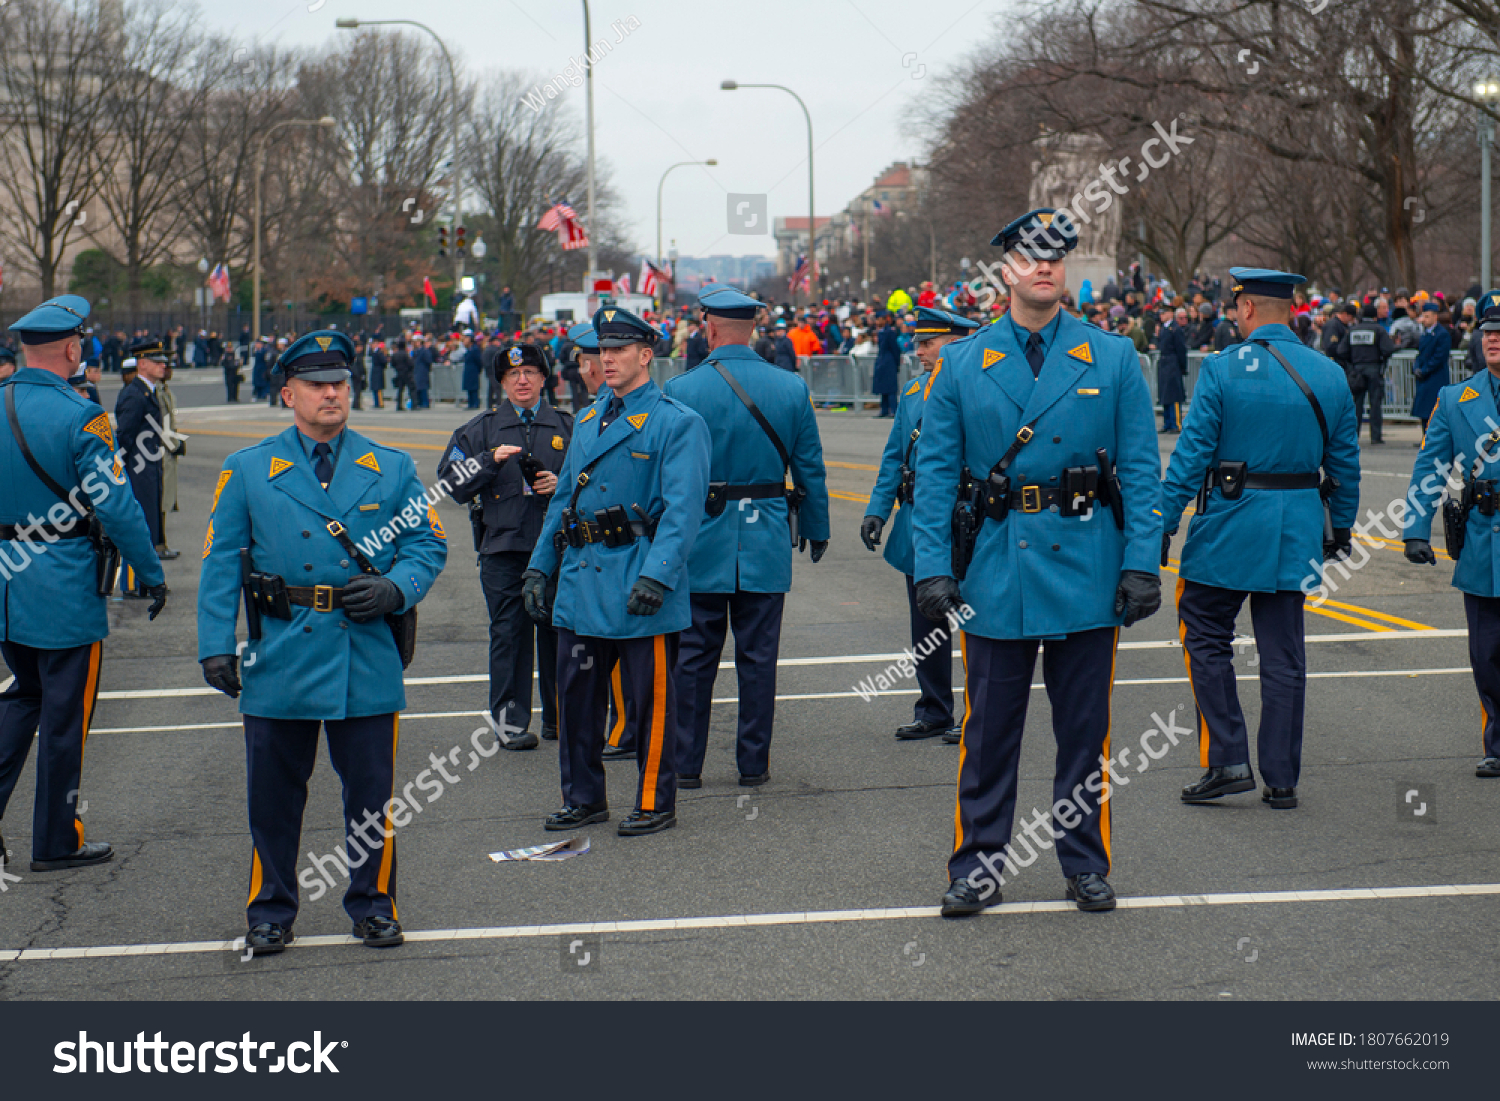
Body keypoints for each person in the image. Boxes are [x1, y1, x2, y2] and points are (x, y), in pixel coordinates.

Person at [912, 208, 1162, 917]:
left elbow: (1143, 470)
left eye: (1056, 255)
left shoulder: (1110, 357)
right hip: (997, 567)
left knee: (1085, 735)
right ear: (1007, 270)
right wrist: (934, 565)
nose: (1044, 266)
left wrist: (1143, 560)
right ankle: (977, 867)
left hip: (1088, 561)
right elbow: (934, 478)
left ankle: (1085, 862)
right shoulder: (962, 362)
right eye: (1030, 255)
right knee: (990, 735)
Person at [196, 330, 447, 956]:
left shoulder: (389, 467)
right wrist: (214, 644)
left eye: (339, 382)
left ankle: (373, 904)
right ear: (288, 393)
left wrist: (396, 587)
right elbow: (221, 560)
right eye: (315, 384)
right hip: (281, 650)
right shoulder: (249, 467)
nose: (331, 392)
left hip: (364, 651)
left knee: (372, 800)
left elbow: (428, 543)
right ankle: (271, 910)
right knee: (273, 800)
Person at [1165, 269, 1361, 812]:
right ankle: (1281, 777)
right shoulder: (1328, 373)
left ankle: (1228, 757)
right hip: (1296, 524)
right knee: (1283, 654)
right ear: (1291, 309)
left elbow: (1191, 456)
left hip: (1231, 522)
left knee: (1204, 631)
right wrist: (1340, 527)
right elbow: (1344, 465)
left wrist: (1159, 522)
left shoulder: (1224, 369)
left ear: (1246, 308)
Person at [522, 305, 710, 837]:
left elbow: (683, 508)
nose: (606, 359)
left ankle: (654, 799)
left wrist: (660, 575)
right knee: (577, 700)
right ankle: (584, 797)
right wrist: (540, 568)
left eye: (618, 350)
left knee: (651, 704)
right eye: (601, 351)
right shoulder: (586, 419)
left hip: (636, 577)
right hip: (582, 578)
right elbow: (562, 501)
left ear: (645, 356)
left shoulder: (677, 422)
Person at [0, 295, 166, 875]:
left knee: (23, 696)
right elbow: (117, 507)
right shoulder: (82, 415)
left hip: (6, 588)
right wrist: (150, 572)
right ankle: (55, 839)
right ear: (72, 349)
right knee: (65, 719)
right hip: (63, 587)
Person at [664, 285, 830, 788]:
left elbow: (670, 479)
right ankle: (753, 764)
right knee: (758, 659)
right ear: (754, 327)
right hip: (766, 537)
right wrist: (817, 527)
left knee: (694, 658)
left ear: (709, 327)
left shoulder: (681, 389)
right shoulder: (790, 388)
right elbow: (810, 469)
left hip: (702, 539)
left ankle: (687, 765)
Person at [439, 344, 570, 750]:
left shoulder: (568, 426)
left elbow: (596, 481)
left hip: (557, 548)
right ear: (501, 382)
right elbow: (450, 484)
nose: (523, 380)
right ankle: (510, 724)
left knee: (560, 632)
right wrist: (488, 461)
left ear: (545, 379)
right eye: (514, 375)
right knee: (509, 635)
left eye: (531, 372)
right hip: (504, 548)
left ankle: (562, 717)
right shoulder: (480, 430)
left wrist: (559, 482)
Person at [862, 306, 979, 742]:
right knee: (926, 621)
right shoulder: (913, 392)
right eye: (918, 341)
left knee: (970, 622)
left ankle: (977, 714)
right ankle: (934, 708)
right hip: (917, 519)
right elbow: (895, 456)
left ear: (955, 342)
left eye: (928, 341)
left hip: (965, 517)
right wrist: (878, 509)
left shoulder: (978, 389)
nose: (919, 350)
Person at [1406, 304, 1500, 777]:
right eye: (1487, 331)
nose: (1493, 339)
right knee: (1486, 655)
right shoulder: (1454, 398)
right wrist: (1415, 529)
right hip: (1484, 541)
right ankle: (1498, 743)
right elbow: (1431, 468)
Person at [115, 338, 176, 591]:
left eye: (163, 361)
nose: (163, 365)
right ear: (142, 364)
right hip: (138, 472)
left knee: (150, 526)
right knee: (138, 528)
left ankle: (146, 581)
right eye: (157, 361)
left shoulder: (148, 391)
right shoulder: (135, 394)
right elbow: (125, 438)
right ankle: (134, 584)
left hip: (149, 470)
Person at [1337, 303, 1395, 445]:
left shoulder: (1353, 330)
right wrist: (1381, 359)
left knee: (1357, 404)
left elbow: (1341, 351)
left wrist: (1352, 364)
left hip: (1357, 371)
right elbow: (1389, 349)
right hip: (1374, 369)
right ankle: (1375, 436)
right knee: (1375, 404)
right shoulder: (1378, 329)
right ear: (1375, 316)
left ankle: (1354, 436)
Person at [1411, 302, 1451, 432]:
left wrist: (1424, 370)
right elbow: (1420, 354)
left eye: (1427, 316)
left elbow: (1439, 357)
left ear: (1435, 317)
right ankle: (1425, 437)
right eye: (1424, 316)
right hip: (1425, 378)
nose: (1424, 320)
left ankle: (1432, 439)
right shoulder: (1425, 334)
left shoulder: (1441, 334)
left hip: (1435, 378)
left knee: (1434, 412)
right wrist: (1416, 367)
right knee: (1424, 413)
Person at [158, 361, 183, 558]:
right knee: (161, 500)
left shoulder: (164, 389)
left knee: (165, 501)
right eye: (165, 366)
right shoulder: (157, 393)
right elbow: (160, 425)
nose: (169, 370)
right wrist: (175, 445)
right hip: (160, 452)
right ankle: (159, 544)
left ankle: (162, 543)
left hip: (167, 449)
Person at [1156, 307, 1188, 433]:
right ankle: (1167, 422)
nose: (1161, 315)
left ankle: (1176, 423)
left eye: (1164, 313)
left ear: (1170, 313)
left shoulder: (1175, 329)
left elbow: (1181, 348)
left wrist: (1182, 366)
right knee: (1165, 394)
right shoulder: (1164, 328)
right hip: (1164, 363)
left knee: (1174, 395)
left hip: (1173, 363)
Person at [873, 312, 902, 417]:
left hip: (889, 362)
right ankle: (884, 409)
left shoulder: (890, 332)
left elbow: (895, 348)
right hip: (882, 361)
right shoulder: (880, 332)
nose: (877, 322)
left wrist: (896, 363)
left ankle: (893, 410)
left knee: (890, 388)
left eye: (879, 319)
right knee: (882, 388)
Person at [391, 339, 415, 411]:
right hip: (407, 374)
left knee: (400, 390)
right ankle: (414, 404)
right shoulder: (405, 354)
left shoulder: (395, 354)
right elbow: (411, 364)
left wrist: (397, 369)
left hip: (399, 373)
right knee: (411, 389)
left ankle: (399, 405)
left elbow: (392, 364)